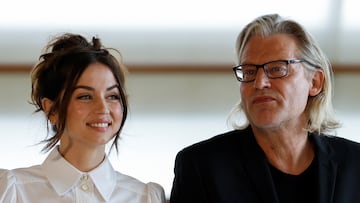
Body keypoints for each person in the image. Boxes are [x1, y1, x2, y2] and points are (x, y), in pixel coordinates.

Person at [170, 14, 360, 203]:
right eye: (249, 72)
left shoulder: (354, 164)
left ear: (315, 82)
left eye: (277, 69)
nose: (260, 83)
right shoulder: (201, 167)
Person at [0, 33, 165, 203]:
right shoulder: (12, 191)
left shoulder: (145, 197)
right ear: (51, 110)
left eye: (112, 96)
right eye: (85, 96)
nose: (103, 108)